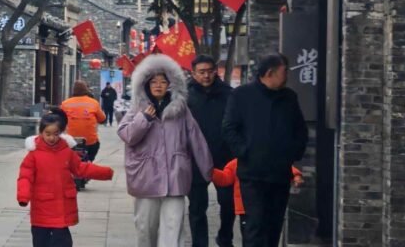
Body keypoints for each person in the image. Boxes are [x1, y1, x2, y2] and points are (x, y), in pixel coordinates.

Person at [118, 54, 213, 247]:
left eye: (163, 81)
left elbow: (196, 139)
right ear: (146, 84)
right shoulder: (138, 108)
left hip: (175, 175)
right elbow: (127, 135)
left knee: (174, 227)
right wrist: (143, 119)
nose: (159, 85)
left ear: (171, 84)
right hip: (146, 176)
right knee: (146, 228)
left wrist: (208, 170)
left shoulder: (180, 110)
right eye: (154, 82)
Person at [222, 54, 308, 247]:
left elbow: (300, 130)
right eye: (284, 71)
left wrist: (292, 154)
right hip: (252, 174)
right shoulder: (242, 95)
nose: (287, 75)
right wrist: (245, 152)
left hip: (279, 174)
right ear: (270, 72)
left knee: (274, 226)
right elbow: (229, 128)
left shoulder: (289, 98)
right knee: (255, 226)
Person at [17, 108, 114, 247]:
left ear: (61, 133)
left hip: (62, 206)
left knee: (63, 241)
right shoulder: (34, 155)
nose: (52, 137)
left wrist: (105, 173)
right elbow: (25, 176)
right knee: (41, 240)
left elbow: (80, 168)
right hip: (42, 206)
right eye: (48, 134)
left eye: (56, 134)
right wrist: (23, 196)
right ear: (41, 133)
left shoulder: (66, 152)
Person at [186, 54, 235, 247]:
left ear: (216, 71)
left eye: (210, 71)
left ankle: (225, 237)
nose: (206, 76)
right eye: (202, 72)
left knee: (228, 203)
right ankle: (199, 243)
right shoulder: (186, 96)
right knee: (197, 207)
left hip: (224, 158)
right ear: (194, 73)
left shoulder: (229, 94)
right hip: (195, 159)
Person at [211, 159, 305, 237]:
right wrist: (210, 171)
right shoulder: (236, 163)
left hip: (254, 207)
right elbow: (225, 178)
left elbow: (283, 166)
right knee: (250, 236)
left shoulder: (240, 161)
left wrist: (296, 175)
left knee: (255, 235)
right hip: (246, 209)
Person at [60, 80, 106, 165]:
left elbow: (60, 120)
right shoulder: (93, 103)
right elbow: (102, 119)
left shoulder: (65, 104)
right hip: (90, 141)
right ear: (86, 90)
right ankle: (89, 161)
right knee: (96, 145)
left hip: (71, 140)